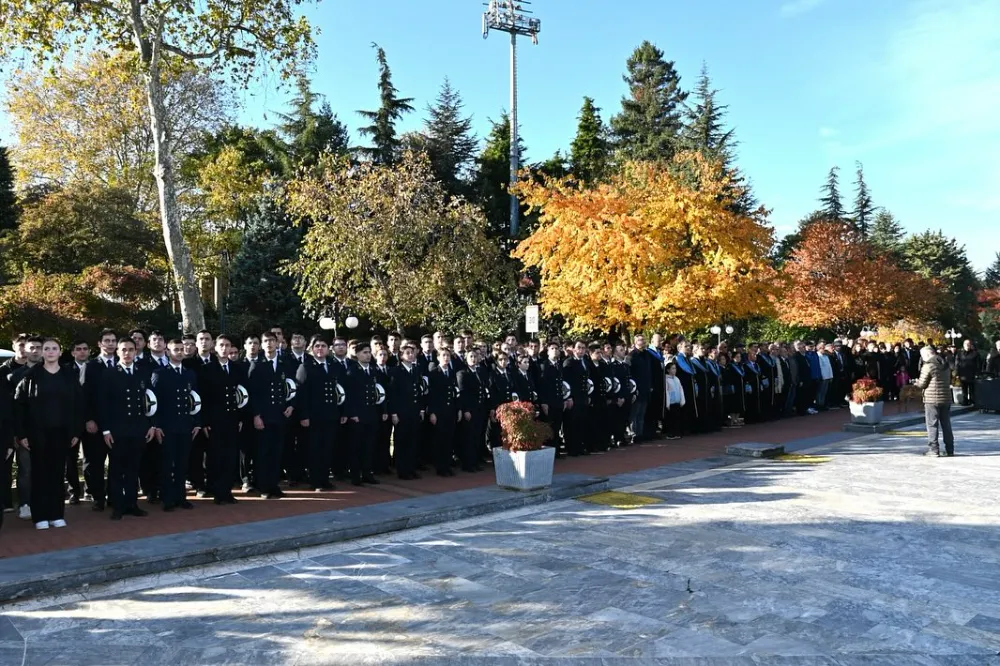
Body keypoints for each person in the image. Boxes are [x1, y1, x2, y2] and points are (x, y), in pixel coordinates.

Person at [13, 338, 84, 529]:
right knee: (40, 475)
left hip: (62, 434)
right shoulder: (30, 376)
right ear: (42, 353)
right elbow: (19, 408)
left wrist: (76, 431)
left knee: (56, 474)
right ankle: (40, 516)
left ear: (60, 353)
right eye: (47, 349)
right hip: (37, 434)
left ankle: (56, 514)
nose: (51, 351)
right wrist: (22, 435)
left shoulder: (69, 376)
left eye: (54, 348)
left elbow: (79, 406)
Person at [100, 337, 157, 520]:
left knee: (134, 468)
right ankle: (118, 505)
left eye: (130, 349)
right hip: (117, 430)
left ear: (135, 351)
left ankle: (132, 504)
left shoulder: (142, 372)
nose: (127, 353)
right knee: (117, 469)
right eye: (123, 349)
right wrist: (106, 430)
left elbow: (151, 400)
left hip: (138, 428)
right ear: (117, 352)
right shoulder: (109, 374)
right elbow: (104, 404)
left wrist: (151, 425)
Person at [150, 339, 202, 511]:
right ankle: (167, 498)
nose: (179, 352)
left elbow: (195, 399)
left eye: (181, 349)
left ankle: (181, 497)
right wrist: (156, 425)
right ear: (167, 351)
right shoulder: (159, 373)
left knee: (182, 463)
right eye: (175, 349)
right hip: (166, 427)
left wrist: (197, 422)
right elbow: (153, 403)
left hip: (185, 426)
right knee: (166, 464)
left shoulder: (189, 374)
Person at [248, 331, 294, 498]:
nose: (269, 344)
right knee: (263, 452)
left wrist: (291, 405)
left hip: (280, 415)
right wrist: (256, 415)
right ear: (262, 344)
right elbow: (253, 393)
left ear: (277, 343)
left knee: (276, 451)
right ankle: (263, 486)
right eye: (266, 341)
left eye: (272, 341)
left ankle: (274, 485)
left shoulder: (284, 363)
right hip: (264, 416)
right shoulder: (257, 364)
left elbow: (291, 387)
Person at [296, 335, 341, 491]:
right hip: (313, 415)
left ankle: (324, 479)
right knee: (314, 449)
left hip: (330, 414)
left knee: (328, 448)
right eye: (317, 346)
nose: (320, 349)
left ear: (328, 349)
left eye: (323, 346)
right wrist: (304, 415)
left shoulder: (333, 365)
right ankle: (315, 481)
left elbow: (339, 391)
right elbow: (301, 394)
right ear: (311, 349)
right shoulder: (306, 366)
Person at [388, 343, 426, 479]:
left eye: (412, 352)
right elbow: (392, 394)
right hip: (401, 412)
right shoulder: (396, 371)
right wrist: (394, 413)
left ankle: (411, 468)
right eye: (407, 353)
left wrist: (421, 409)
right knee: (401, 441)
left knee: (413, 441)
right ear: (401, 356)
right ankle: (402, 470)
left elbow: (419, 391)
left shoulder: (416, 370)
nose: (411, 355)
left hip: (414, 411)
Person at [916, 346, 955, 457]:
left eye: (923, 355)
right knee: (946, 424)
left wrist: (917, 383)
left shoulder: (928, 366)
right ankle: (950, 449)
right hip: (946, 398)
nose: (922, 358)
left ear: (928, 354)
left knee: (932, 424)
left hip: (931, 399)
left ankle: (933, 449)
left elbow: (923, 384)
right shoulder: (946, 365)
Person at [662, 362, 684, 440]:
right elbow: (667, 391)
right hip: (671, 402)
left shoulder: (677, 379)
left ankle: (676, 432)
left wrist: (682, 400)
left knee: (677, 418)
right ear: (668, 370)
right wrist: (667, 403)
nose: (675, 370)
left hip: (677, 401)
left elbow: (681, 389)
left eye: (675, 368)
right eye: (673, 368)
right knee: (671, 419)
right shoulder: (666, 379)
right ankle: (670, 433)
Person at [955, 340, 981, 406]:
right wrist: (957, 373)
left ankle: (973, 401)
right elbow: (957, 364)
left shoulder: (975, 353)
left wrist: (977, 373)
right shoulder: (959, 353)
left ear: (970, 345)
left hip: (972, 374)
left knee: (972, 389)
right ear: (963, 345)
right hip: (963, 374)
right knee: (964, 389)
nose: (967, 345)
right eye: (966, 344)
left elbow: (978, 364)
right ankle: (965, 401)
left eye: (968, 344)